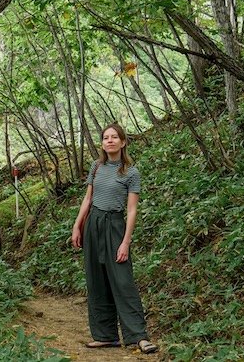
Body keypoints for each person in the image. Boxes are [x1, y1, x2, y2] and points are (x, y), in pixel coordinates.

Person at [69, 123, 159, 354]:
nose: (109, 140)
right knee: (96, 279)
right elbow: (87, 200)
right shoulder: (96, 167)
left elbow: (131, 210)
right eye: (105, 137)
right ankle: (105, 335)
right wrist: (77, 226)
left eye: (114, 137)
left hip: (115, 226)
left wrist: (125, 242)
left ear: (123, 142)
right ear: (102, 143)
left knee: (122, 280)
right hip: (93, 224)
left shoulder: (131, 172)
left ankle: (138, 337)